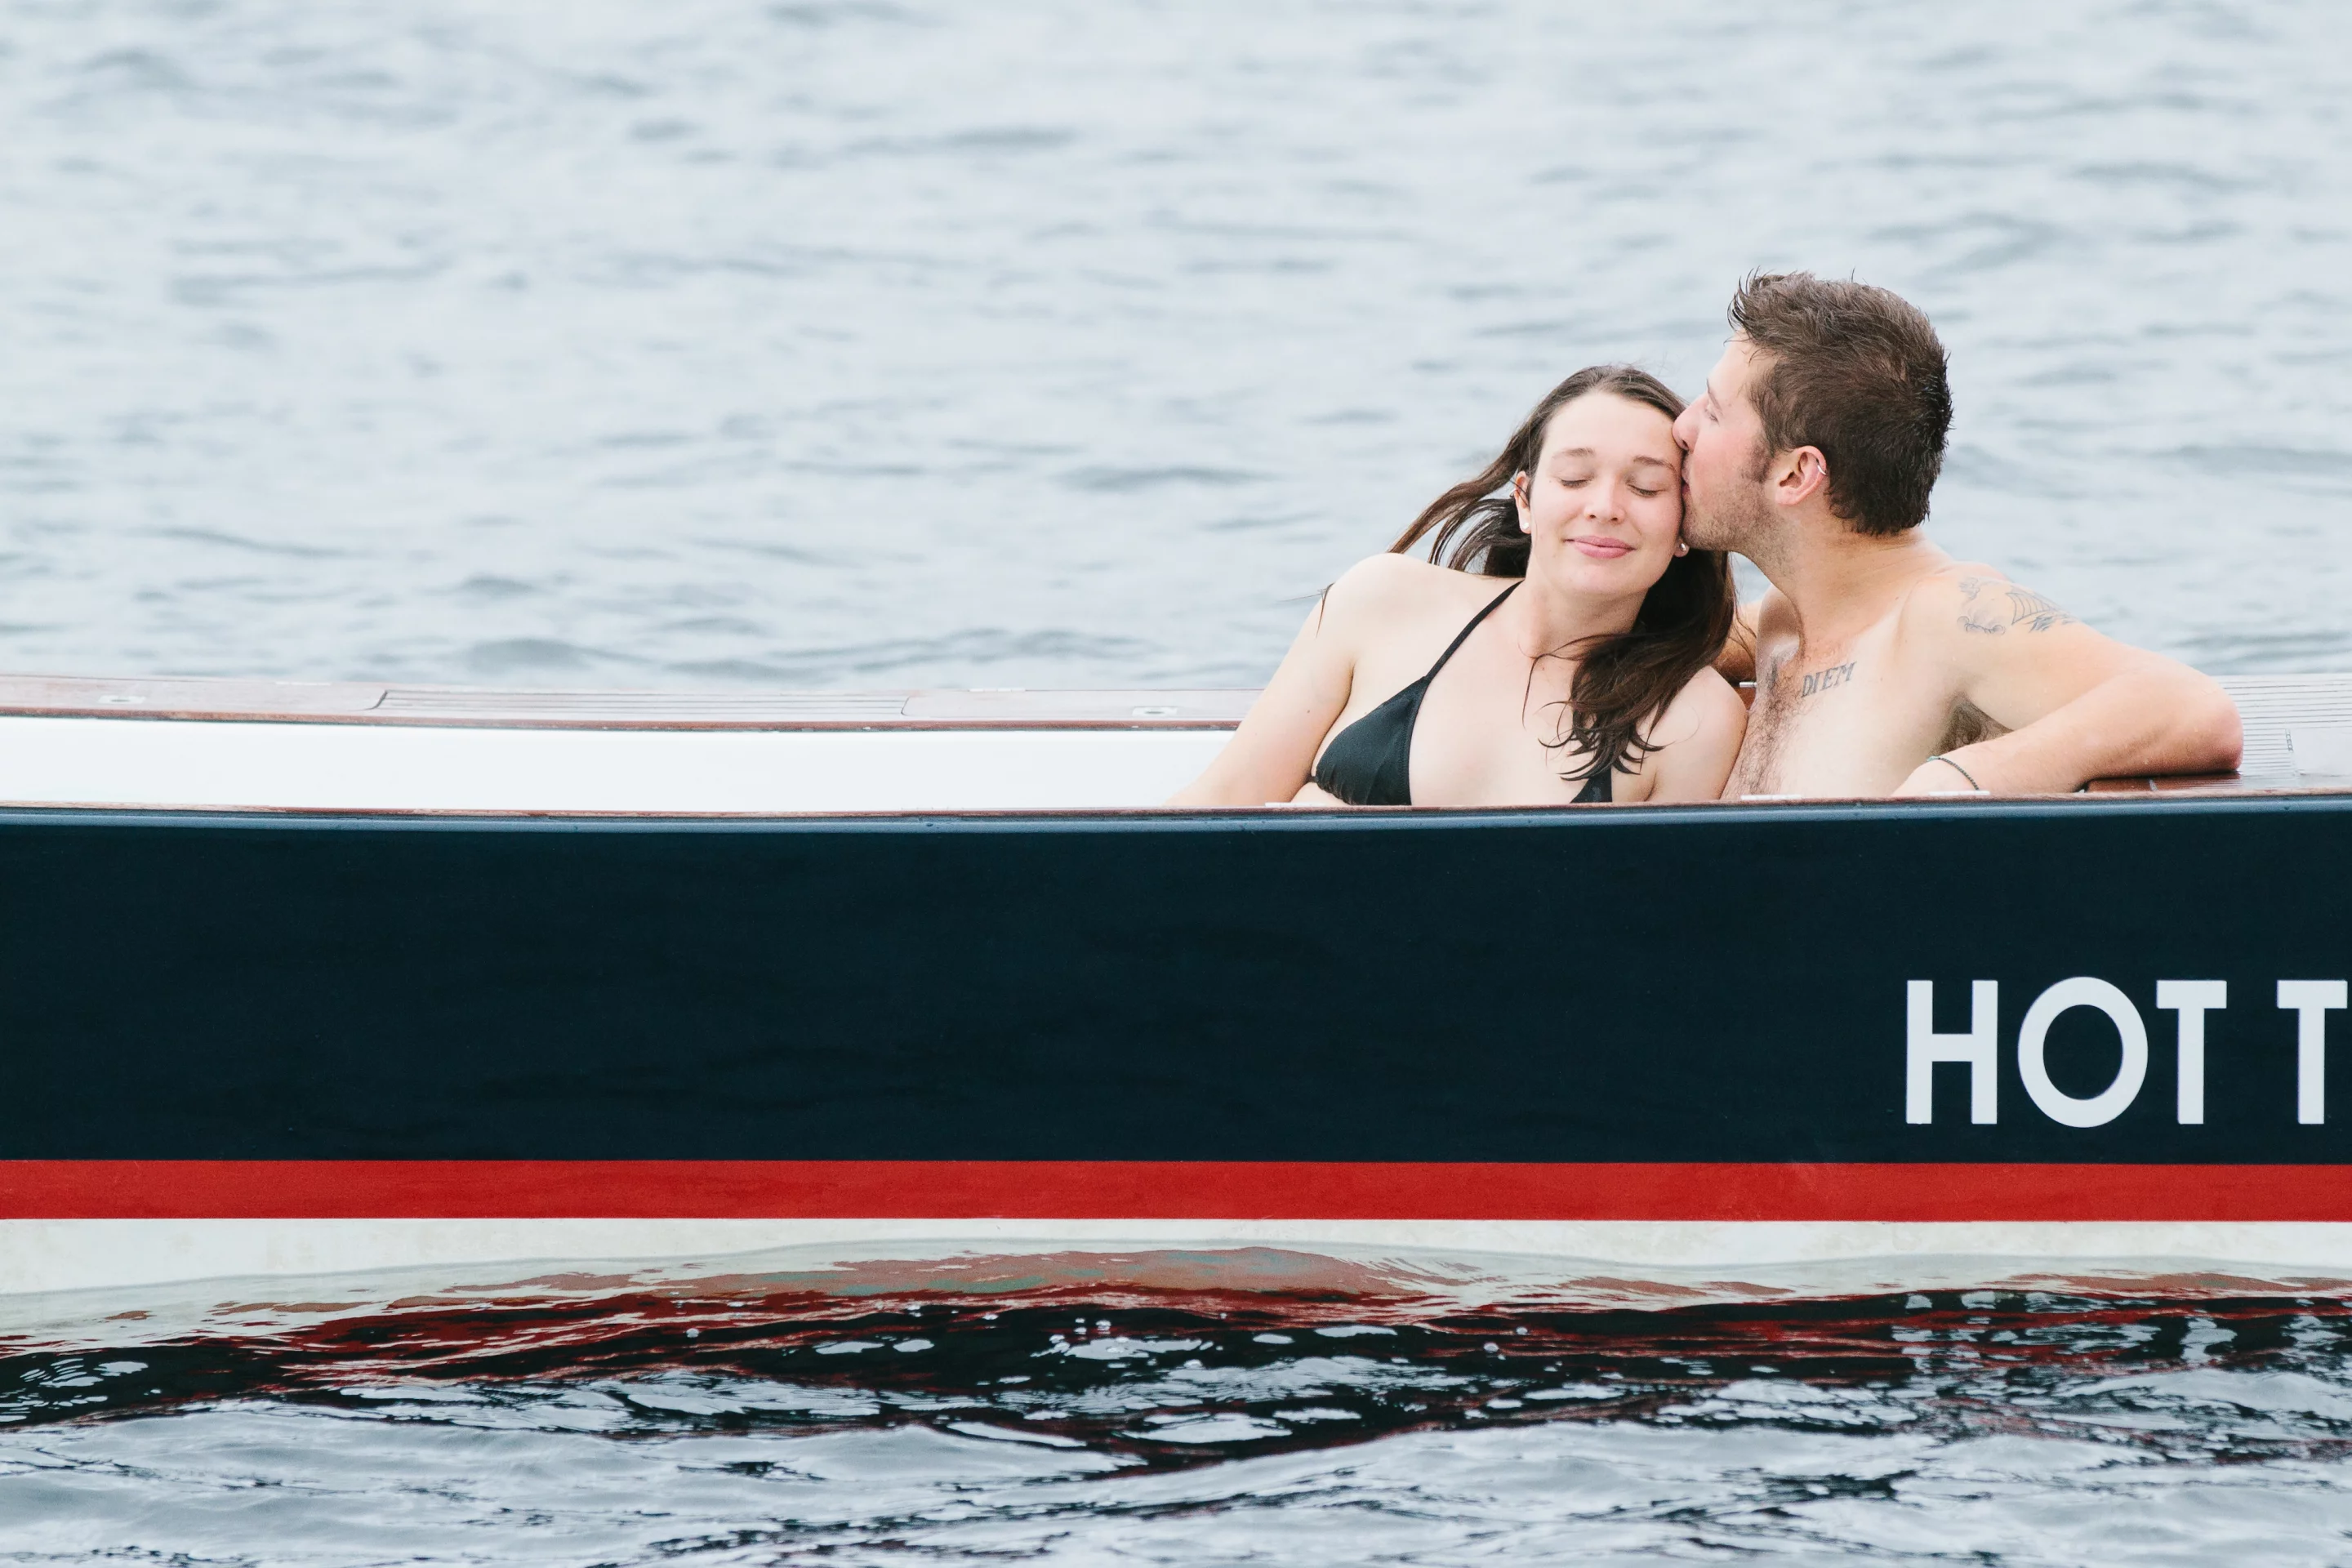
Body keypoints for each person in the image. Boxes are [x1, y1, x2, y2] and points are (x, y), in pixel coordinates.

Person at [1678, 272, 2241, 797]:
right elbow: (1628, 639)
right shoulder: (1785, 619)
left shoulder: (1945, 616)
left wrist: (1961, 778)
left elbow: (2196, 709)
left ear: (1796, 473)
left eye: (1714, 413)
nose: (1682, 427)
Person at [1169, 365, 1748, 808]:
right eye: (1574, 478)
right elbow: (1225, 799)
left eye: (1646, 488)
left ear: (1683, 529)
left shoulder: (1694, 718)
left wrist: (1328, 819)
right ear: (1524, 499)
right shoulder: (1383, 600)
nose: (1605, 508)